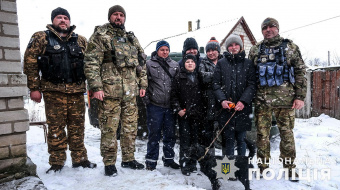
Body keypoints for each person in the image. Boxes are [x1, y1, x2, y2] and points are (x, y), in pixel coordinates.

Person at [23, 7, 96, 173]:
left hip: (77, 92)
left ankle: (80, 159)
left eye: (65, 18)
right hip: (53, 92)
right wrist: (34, 88)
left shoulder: (81, 40)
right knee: (56, 128)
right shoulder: (41, 37)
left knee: (77, 128)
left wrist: (93, 87)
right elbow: (30, 63)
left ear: (69, 21)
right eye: (59, 18)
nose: (63, 20)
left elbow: (91, 65)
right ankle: (57, 162)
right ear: (53, 20)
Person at [84, 5, 148, 176]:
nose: (118, 17)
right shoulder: (100, 36)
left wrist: (143, 85)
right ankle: (109, 163)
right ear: (109, 17)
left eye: (121, 15)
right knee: (110, 129)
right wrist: (96, 87)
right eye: (115, 15)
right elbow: (91, 63)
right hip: (109, 92)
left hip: (130, 93)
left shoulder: (131, 38)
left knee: (130, 128)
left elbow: (142, 63)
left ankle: (128, 159)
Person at [248, 17, 306, 181]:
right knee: (262, 136)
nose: (268, 29)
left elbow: (301, 72)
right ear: (262, 31)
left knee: (287, 136)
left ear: (277, 28)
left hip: (286, 101)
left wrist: (300, 97)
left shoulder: (290, 48)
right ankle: (262, 167)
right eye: (265, 27)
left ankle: (289, 168)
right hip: (262, 101)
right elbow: (250, 76)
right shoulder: (255, 50)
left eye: (271, 26)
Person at [171, 54, 221, 189]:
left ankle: (193, 163)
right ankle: (185, 164)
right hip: (184, 114)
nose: (190, 64)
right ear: (184, 64)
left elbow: (205, 95)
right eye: (187, 62)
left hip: (198, 115)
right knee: (185, 140)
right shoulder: (178, 78)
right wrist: (178, 109)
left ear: (195, 64)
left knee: (196, 140)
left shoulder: (200, 77)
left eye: (192, 62)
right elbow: (174, 96)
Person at [213, 34, 256, 158]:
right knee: (228, 140)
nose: (233, 47)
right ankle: (227, 170)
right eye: (230, 45)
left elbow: (252, 85)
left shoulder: (248, 63)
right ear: (227, 48)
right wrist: (222, 100)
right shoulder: (221, 63)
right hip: (226, 110)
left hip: (243, 109)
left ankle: (241, 169)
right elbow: (215, 84)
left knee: (241, 139)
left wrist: (243, 101)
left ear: (241, 46)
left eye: (236, 44)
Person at [144, 41, 180, 171]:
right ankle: (151, 161)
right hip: (155, 106)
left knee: (170, 135)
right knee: (154, 134)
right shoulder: (149, 64)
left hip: (170, 106)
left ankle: (169, 159)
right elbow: (144, 83)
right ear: (157, 50)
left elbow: (178, 85)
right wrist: (147, 100)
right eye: (162, 50)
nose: (165, 52)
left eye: (167, 50)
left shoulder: (175, 65)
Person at [198, 37, 224, 153]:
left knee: (224, 132)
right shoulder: (203, 63)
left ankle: (226, 161)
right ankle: (210, 158)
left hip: (223, 101)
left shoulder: (225, 61)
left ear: (218, 50)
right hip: (208, 102)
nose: (211, 53)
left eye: (213, 50)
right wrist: (218, 75)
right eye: (208, 51)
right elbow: (203, 77)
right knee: (208, 133)